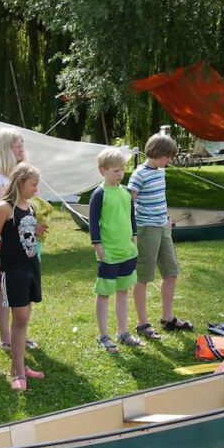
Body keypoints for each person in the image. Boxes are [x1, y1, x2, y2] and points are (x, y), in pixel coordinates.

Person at [128, 133, 192, 338]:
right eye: (168, 157)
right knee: (143, 277)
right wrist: (133, 230)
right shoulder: (139, 174)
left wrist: (165, 219)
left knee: (171, 272)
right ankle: (143, 324)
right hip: (146, 229)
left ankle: (167, 318)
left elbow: (159, 198)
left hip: (162, 227)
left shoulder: (160, 172)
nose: (170, 161)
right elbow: (130, 203)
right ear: (157, 153)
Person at [0, 162, 45, 390]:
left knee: (24, 319)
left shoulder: (29, 207)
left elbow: (25, 235)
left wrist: (37, 230)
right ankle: (18, 372)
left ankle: (19, 366)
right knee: (19, 319)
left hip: (31, 268)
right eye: (33, 184)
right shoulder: (4, 208)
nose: (36, 189)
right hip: (13, 271)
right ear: (20, 182)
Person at [0, 128, 40, 352]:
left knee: (25, 292)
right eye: (17, 145)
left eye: (22, 145)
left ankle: (20, 332)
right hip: (10, 249)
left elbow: (30, 208)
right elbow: (7, 212)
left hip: (27, 246)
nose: (21, 149)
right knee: (5, 292)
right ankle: (6, 336)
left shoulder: (28, 174)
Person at [90, 147, 141, 353]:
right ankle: (103, 335)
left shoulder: (126, 192)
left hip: (127, 252)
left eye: (122, 170)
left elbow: (131, 217)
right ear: (103, 170)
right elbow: (93, 223)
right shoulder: (99, 194)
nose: (120, 174)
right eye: (115, 170)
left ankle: (123, 332)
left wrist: (135, 239)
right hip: (109, 253)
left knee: (123, 292)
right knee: (104, 294)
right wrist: (98, 247)